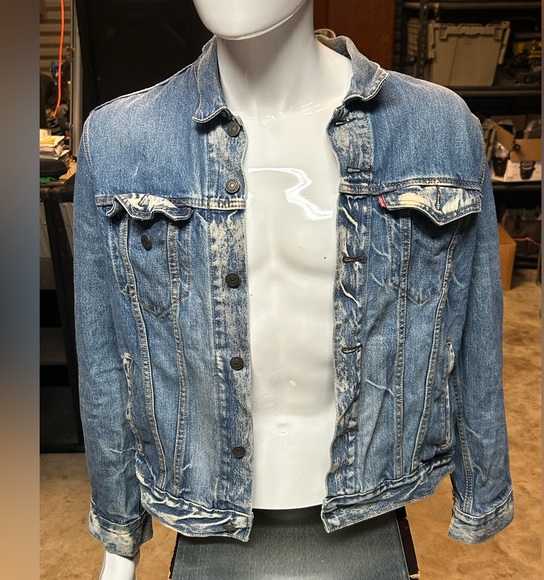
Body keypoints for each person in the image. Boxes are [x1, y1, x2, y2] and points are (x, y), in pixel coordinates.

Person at [73, 1, 514, 578]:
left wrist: (483, 489)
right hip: (206, 504)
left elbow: (477, 331)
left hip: (369, 497)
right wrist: (119, 537)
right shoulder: (119, 140)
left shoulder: (437, 127)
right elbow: (104, 359)